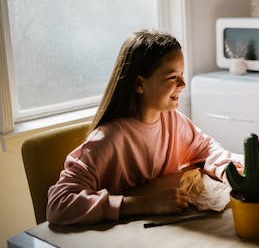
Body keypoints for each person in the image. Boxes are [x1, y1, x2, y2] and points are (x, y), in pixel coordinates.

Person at [47, 30, 238, 225]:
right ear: (139, 83)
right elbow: (58, 204)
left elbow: (206, 147)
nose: (182, 84)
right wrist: (142, 204)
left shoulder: (172, 120)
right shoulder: (107, 139)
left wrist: (227, 172)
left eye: (182, 74)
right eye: (172, 77)